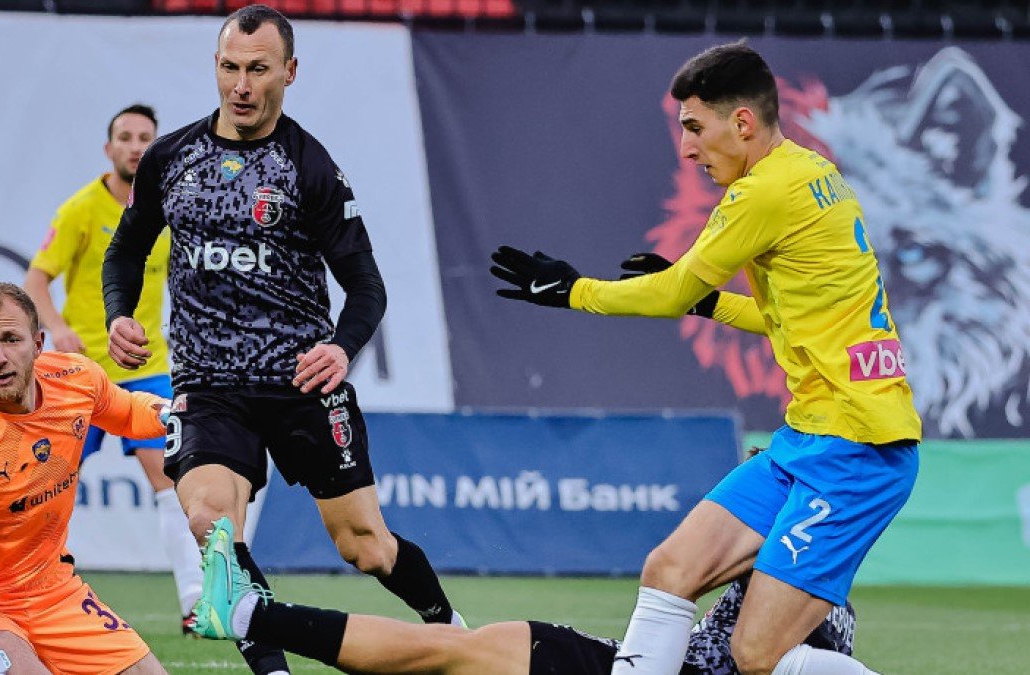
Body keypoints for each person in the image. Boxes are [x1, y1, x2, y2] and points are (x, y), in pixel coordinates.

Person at [490, 41, 919, 675]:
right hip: (812, 437)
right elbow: (783, 318)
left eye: (694, 127)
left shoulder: (764, 191)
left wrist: (573, 290)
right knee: (670, 570)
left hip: (858, 451)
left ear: (742, 122)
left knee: (757, 654)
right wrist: (708, 303)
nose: (687, 149)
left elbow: (669, 292)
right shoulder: (811, 172)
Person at [102, 5, 460, 673]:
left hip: (299, 382)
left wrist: (340, 348)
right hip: (208, 386)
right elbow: (125, 251)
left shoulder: (309, 166)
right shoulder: (170, 158)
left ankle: (454, 631)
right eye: (229, 68)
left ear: (289, 72)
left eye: (258, 70)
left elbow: (367, 287)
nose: (241, 85)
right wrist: (119, 313)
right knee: (213, 528)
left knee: (366, 547)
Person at [191, 516, 856, 675]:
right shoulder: (818, 581)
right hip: (634, 660)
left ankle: (248, 612)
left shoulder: (807, 597)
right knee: (447, 650)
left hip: (638, 665)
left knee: (445, 652)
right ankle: (249, 611)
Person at [0, 282, 170, 674]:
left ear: (37, 343)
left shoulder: (76, 378)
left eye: (10, 339)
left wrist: (171, 412)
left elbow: (129, 413)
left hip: (53, 589)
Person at [23, 103, 205, 637]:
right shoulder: (81, 209)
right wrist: (58, 329)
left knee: (171, 481)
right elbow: (35, 282)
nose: (135, 146)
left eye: (145, 137)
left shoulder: (169, 209)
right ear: (109, 149)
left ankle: (195, 603)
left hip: (147, 370)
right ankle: (29, 591)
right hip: (79, 375)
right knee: (50, 485)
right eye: (125, 137)